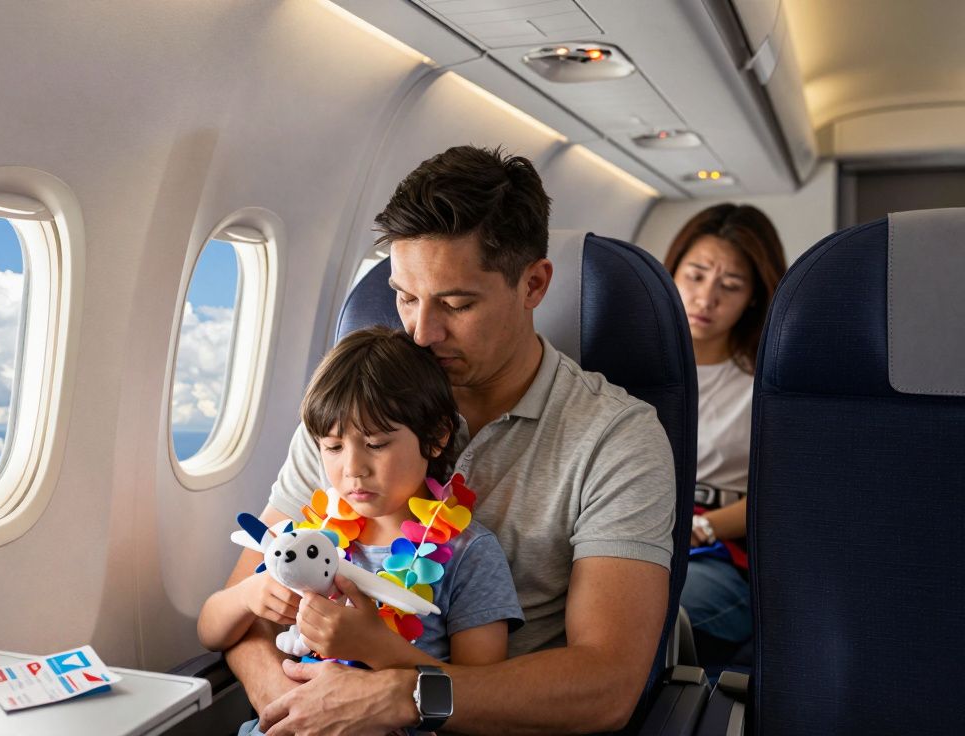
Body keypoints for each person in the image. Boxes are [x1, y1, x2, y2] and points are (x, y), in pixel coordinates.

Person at [219, 145, 676, 735]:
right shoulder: (357, 416)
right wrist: (292, 706)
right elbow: (247, 607)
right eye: (405, 297)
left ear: (534, 283)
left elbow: (606, 685)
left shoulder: (616, 438)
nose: (421, 332)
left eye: (456, 304)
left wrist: (404, 696)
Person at [197, 327, 523, 706]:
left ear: (435, 436)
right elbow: (210, 631)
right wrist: (249, 596)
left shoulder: (470, 554)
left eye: (376, 444)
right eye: (333, 447)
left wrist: (375, 646)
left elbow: (479, 698)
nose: (353, 469)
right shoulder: (308, 539)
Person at [662, 204, 786, 655]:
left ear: (753, 296)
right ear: (670, 272)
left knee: (650, 606)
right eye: (695, 275)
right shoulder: (632, 367)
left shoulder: (768, 380)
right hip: (635, 535)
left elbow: (783, 493)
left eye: (729, 286)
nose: (706, 298)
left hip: (718, 555)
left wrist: (705, 527)